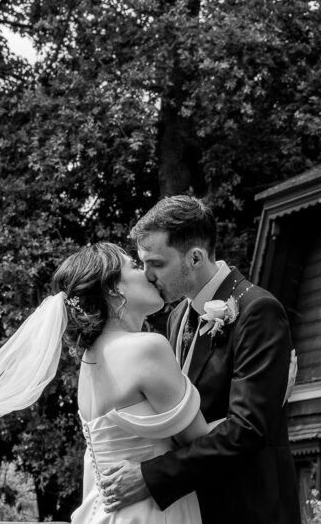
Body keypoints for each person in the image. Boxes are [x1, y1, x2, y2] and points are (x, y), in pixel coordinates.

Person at [99, 195, 299, 524]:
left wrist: (150, 477)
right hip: (196, 508)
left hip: (250, 508)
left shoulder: (257, 310)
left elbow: (247, 430)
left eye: (156, 263)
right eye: (142, 263)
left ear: (194, 257)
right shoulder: (178, 316)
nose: (147, 275)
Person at [57, 241, 208, 523]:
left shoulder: (89, 362)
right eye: (135, 266)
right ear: (114, 288)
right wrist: (269, 395)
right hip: (154, 512)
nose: (147, 273)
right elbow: (205, 445)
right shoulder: (146, 348)